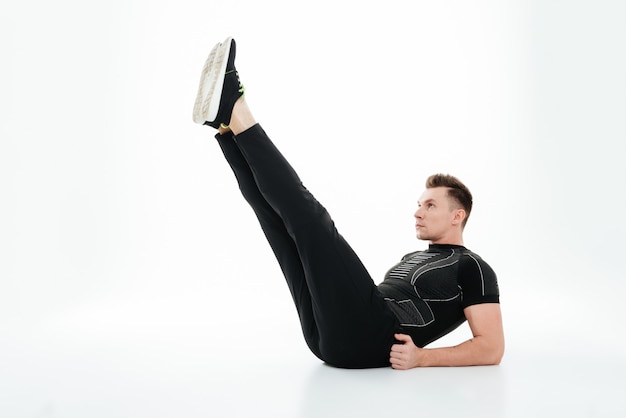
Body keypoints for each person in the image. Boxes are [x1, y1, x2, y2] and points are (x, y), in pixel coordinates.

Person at [192, 37, 504, 370]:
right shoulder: (415, 256)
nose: (417, 211)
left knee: (309, 219)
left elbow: (492, 348)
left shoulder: (474, 268)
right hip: (327, 340)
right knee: (279, 225)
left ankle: (236, 107)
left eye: (430, 205)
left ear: (459, 215)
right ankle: (226, 128)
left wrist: (422, 357)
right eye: (419, 204)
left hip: (367, 336)